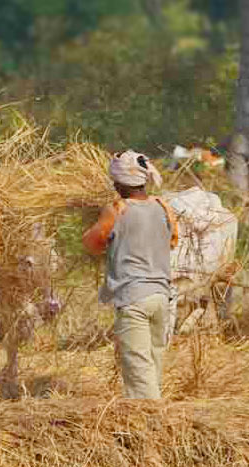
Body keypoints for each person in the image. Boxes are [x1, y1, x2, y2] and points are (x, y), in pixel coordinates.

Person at [81, 150, 180, 399]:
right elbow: (173, 240)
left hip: (133, 299)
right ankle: (156, 419)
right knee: (153, 365)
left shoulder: (116, 210)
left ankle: (150, 425)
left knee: (138, 372)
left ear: (119, 183)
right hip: (161, 297)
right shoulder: (164, 206)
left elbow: (92, 244)